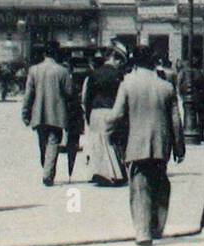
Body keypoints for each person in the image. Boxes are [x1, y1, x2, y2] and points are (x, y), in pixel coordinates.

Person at [106, 45, 183, 244]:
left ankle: (143, 232)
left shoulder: (127, 84)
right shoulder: (166, 87)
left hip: (136, 145)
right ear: (152, 62)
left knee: (140, 188)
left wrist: (109, 132)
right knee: (160, 185)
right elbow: (176, 121)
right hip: (160, 145)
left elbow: (117, 115)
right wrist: (179, 148)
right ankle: (157, 227)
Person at [22, 42, 77, 186]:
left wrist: (25, 113)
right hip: (57, 114)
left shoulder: (34, 70)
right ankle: (48, 173)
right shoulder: (62, 71)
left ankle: (46, 169)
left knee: (42, 143)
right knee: (53, 143)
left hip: (39, 114)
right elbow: (70, 93)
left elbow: (28, 94)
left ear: (44, 54)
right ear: (56, 54)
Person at [83, 44, 127, 186]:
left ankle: (98, 172)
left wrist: (89, 114)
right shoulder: (119, 75)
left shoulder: (94, 73)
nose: (120, 64)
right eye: (120, 61)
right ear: (114, 58)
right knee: (111, 142)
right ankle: (113, 174)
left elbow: (87, 97)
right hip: (111, 110)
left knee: (97, 143)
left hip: (95, 111)